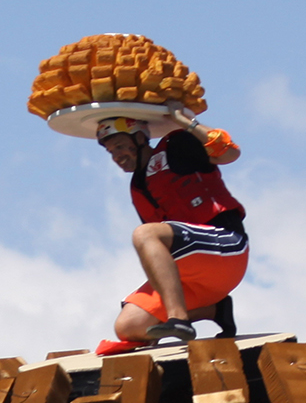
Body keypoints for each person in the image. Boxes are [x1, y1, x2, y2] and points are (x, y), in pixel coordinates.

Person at [94, 115, 247, 350]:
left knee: (145, 234)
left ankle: (179, 318)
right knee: (129, 327)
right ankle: (216, 309)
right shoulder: (138, 186)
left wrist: (184, 120)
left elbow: (229, 153)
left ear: (139, 138)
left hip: (227, 245)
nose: (117, 156)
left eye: (120, 146)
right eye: (111, 152)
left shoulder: (176, 145)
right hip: (194, 273)